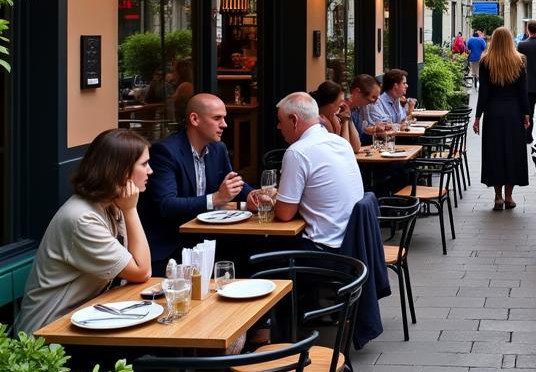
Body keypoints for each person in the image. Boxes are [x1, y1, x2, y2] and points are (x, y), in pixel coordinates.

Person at [16, 129, 153, 335]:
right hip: (48, 336)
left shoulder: (111, 204)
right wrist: (131, 210)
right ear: (122, 171)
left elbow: (137, 266)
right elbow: (142, 272)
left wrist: (126, 209)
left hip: (84, 320)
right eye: (144, 164)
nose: (150, 170)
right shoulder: (83, 219)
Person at [140, 93, 257, 272]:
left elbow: (232, 182)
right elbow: (166, 205)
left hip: (206, 237)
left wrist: (253, 195)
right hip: (171, 243)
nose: (224, 125)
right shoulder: (165, 152)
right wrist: (215, 199)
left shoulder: (218, 148)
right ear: (194, 119)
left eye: (224, 118)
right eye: (217, 118)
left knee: (250, 254)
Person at [274, 92, 365, 249]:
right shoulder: (341, 143)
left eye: (280, 121)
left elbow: (284, 214)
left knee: (248, 251)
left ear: (294, 120)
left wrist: (268, 201)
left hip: (322, 250)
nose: (278, 126)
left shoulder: (297, 152)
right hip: (353, 247)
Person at [473, 27, 530, 210]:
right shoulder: (519, 61)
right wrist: (527, 114)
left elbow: (484, 92)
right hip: (514, 112)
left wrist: (477, 116)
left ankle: (497, 196)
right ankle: (509, 196)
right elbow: (523, 91)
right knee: (513, 152)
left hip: (493, 111)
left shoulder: (486, 61)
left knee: (494, 152)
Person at [347, 74, 382, 145]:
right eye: (373, 97)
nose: (374, 102)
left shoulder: (359, 108)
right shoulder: (342, 112)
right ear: (357, 92)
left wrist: (371, 132)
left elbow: (360, 139)